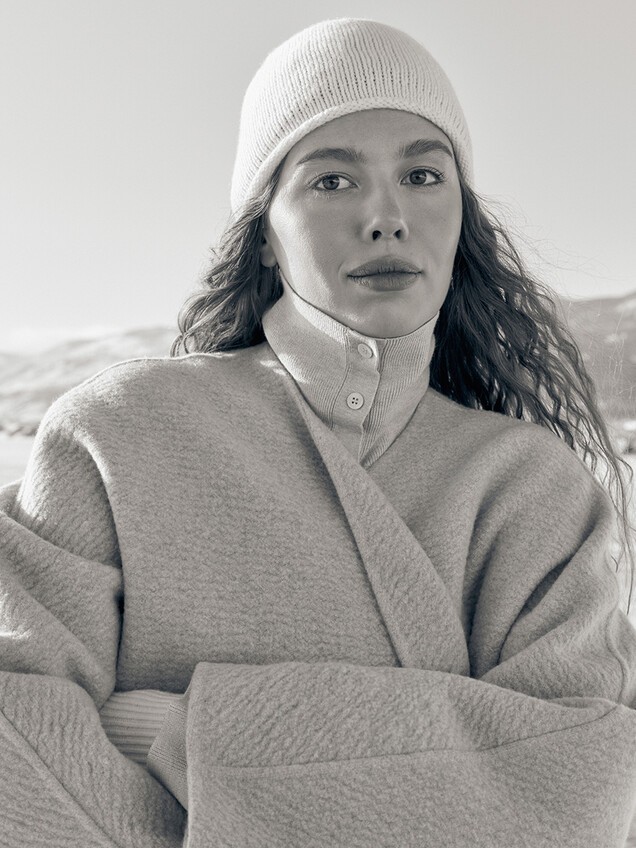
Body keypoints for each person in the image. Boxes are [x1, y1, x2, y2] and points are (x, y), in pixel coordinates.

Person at [1, 17, 635, 847]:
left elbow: (585, 790)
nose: (386, 216)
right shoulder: (114, 437)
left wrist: (188, 737)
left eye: (423, 175)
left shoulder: (534, 488)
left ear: (462, 217)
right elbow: (14, 739)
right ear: (264, 234)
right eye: (332, 181)